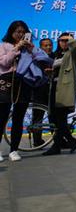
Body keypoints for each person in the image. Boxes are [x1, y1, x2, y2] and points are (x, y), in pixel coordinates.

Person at [0, 21, 52, 162]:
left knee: (18, 118)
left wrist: (31, 49)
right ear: (11, 32)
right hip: (7, 83)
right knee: (2, 117)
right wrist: (16, 47)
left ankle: (14, 150)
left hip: (24, 83)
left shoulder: (30, 48)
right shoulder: (4, 46)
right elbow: (4, 62)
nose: (20, 34)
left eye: (23, 32)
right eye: (17, 31)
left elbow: (44, 59)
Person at [42, 32, 76, 155]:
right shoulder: (55, 55)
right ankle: (70, 140)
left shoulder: (73, 54)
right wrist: (50, 73)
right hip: (53, 88)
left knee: (61, 118)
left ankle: (57, 146)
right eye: (61, 40)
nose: (63, 42)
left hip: (65, 89)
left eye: (66, 40)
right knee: (54, 118)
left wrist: (71, 39)